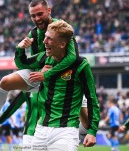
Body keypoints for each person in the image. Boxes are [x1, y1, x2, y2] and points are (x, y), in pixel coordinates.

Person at [0, 0, 89, 138]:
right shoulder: (33, 34)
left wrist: (47, 74)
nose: (37, 18)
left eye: (40, 14)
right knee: (5, 82)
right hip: (42, 76)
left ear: (49, 11)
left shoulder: (62, 28)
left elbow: (72, 58)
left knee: (86, 122)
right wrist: (20, 49)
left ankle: (77, 135)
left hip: (68, 77)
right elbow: (24, 64)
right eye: (33, 16)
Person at [14, 20, 100, 150]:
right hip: (41, 129)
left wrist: (92, 131)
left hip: (66, 132)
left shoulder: (81, 65)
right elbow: (22, 64)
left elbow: (91, 98)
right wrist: (20, 49)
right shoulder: (43, 58)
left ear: (62, 44)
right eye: (45, 37)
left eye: (49, 39)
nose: (44, 42)